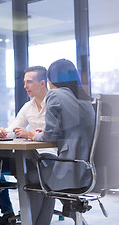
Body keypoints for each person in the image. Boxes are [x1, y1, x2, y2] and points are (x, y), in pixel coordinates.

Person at [28, 59, 94, 224]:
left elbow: (50, 136)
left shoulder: (55, 94)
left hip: (69, 170)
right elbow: (69, 129)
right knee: (41, 175)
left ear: (50, 80)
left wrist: (33, 136)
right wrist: (44, 132)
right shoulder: (85, 99)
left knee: (28, 175)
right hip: (87, 170)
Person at [0, 66, 57, 225]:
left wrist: (30, 134)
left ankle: (32, 218)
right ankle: (8, 212)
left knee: (31, 174)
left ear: (42, 83)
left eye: (29, 82)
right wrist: (4, 132)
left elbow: (55, 133)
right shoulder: (28, 106)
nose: (25, 86)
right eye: (24, 82)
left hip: (50, 156)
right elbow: (15, 127)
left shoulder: (55, 103)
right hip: (29, 156)